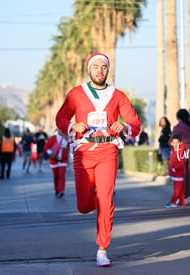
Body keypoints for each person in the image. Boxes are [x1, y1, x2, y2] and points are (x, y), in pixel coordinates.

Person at [55, 53, 141, 267]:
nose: (100, 70)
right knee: (84, 205)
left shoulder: (118, 95)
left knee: (105, 200)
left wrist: (125, 127)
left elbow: (135, 123)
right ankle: (90, 204)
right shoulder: (76, 93)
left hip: (107, 151)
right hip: (83, 151)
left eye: (103, 67)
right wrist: (72, 126)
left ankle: (102, 248)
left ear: (108, 70)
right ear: (89, 69)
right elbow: (60, 118)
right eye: (96, 66)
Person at [170, 109, 190, 200]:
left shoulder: (178, 127)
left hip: (181, 151)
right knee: (188, 173)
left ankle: (182, 193)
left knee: (181, 174)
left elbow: (172, 140)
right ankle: (187, 193)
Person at [44, 129, 70, 198]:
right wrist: (50, 153)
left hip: (63, 160)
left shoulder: (67, 139)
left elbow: (72, 146)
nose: (62, 131)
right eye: (60, 129)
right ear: (57, 130)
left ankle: (61, 190)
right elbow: (46, 147)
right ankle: (56, 188)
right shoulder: (53, 138)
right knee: (56, 175)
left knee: (61, 175)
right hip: (54, 160)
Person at [164, 135, 186, 208]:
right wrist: (170, 170)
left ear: (180, 143)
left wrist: (174, 169)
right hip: (175, 174)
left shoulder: (180, 152)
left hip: (179, 174)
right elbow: (172, 162)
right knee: (180, 189)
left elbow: (181, 163)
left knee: (177, 190)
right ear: (171, 143)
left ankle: (172, 202)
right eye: (174, 143)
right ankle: (182, 202)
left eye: (177, 143)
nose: (175, 144)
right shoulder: (174, 151)